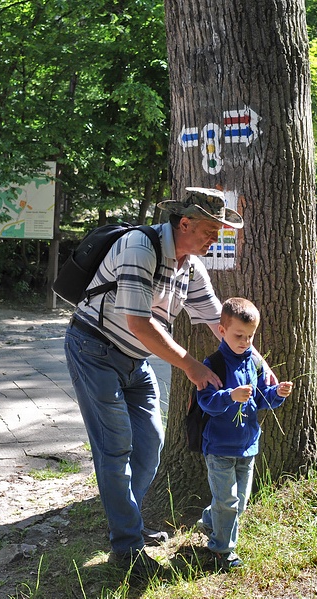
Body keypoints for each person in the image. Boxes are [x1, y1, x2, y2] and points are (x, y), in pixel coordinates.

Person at [63, 188, 244, 579]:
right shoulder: (139, 247)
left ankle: (125, 523)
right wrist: (192, 367)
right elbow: (139, 323)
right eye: (211, 229)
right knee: (115, 448)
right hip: (93, 350)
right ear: (185, 223)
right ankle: (126, 546)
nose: (216, 238)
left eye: (220, 231)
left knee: (150, 444)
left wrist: (258, 366)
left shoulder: (191, 267)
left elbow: (221, 322)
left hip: (135, 361)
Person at [196, 297, 293, 571]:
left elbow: (262, 400)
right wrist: (230, 396)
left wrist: (277, 393)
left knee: (238, 504)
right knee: (228, 501)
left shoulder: (254, 362)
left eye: (250, 336)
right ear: (222, 330)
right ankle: (221, 550)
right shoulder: (213, 363)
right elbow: (206, 402)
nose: (245, 341)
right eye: (239, 335)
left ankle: (210, 520)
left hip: (248, 445)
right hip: (219, 447)